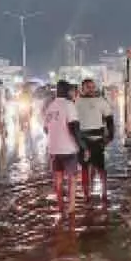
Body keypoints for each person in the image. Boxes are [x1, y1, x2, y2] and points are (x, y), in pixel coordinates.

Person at [43, 80, 83, 220]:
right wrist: (82, 146)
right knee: (72, 179)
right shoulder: (69, 105)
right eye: (71, 91)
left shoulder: (50, 107)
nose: (73, 93)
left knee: (58, 179)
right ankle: (71, 208)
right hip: (69, 149)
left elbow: (45, 129)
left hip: (54, 149)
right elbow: (74, 127)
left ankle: (60, 206)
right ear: (67, 91)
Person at [75, 79, 114, 206]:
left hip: (98, 140)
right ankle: (87, 195)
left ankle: (104, 194)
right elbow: (72, 123)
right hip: (83, 141)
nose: (91, 89)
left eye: (93, 87)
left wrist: (111, 136)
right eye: (88, 87)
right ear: (82, 88)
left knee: (101, 169)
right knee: (85, 169)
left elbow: (109, 118)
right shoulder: (76, 102)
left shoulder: (101, 101)